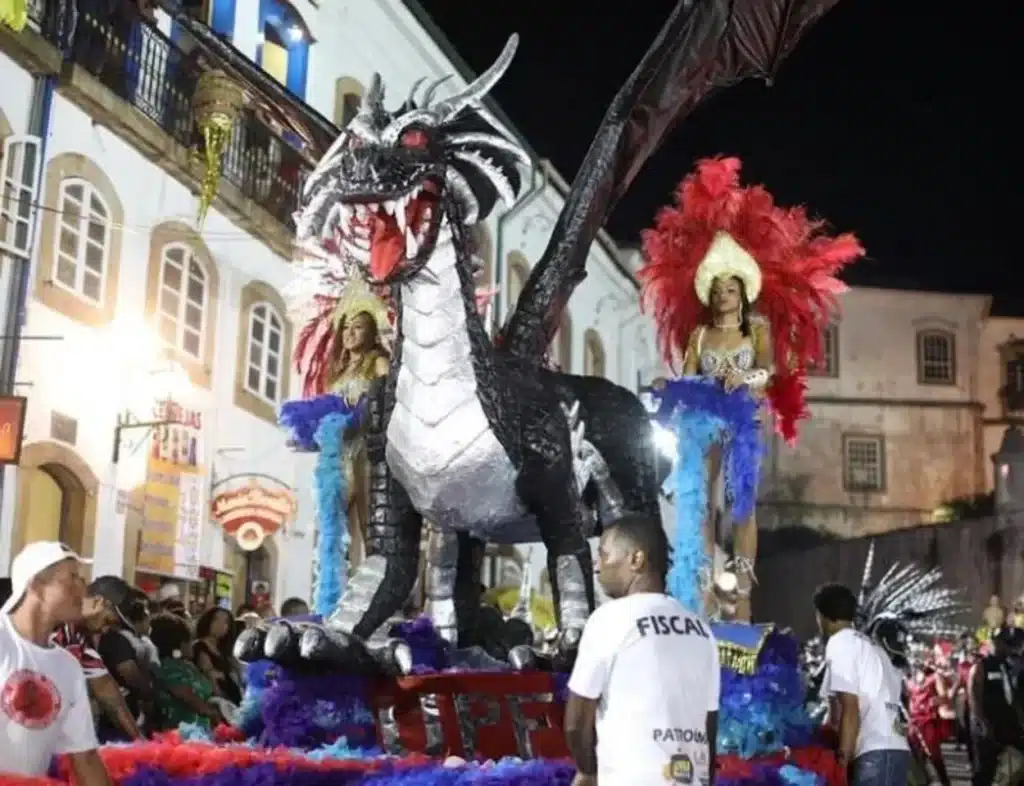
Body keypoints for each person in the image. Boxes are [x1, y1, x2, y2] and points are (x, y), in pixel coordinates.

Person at [640, 157, 863, 620]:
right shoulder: (701, 336)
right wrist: (670, 385)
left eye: (731, 290)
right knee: (698, 499)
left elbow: (766, 374)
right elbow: (688, 377)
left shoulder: (755, 331)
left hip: (740, 418)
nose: (725, 296)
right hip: (702, 421)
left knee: (740, 504)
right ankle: (698, 587)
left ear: (742, 294)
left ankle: (741, 586)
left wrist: (744, 379)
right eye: (718, 290)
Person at [564, 514, 719, 786]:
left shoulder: (609, 619)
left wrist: (588, 771)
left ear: (636, 559)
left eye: (604, 554)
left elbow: (577, 721)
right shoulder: (701, 630)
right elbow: (708, 726)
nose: (597, 566)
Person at [0, 541, 112, 783]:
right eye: (72, 578)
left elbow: (86, 758)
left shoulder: (68, 667)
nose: (83, 589)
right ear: (37, 586)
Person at [814, 583, 910, 786]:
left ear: (822, 616)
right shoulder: (870, 645)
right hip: (894, 750)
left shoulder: (840, 643)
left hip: (874, 755)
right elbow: (835, 711)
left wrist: (841, 759)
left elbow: (849, 706)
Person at [51, 575, 142, 742]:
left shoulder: (78, 640)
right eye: (108, 620)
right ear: (98, 602)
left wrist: (143, 745)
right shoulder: (53, 625)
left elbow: (111, 697)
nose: (106, 630)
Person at [968, 627, 1024, 786]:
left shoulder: (1006, 666)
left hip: (1008, 724)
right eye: (1003, 643)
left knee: (1016, 762)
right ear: (993, 643)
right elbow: (974, 696)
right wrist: (981, 723)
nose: (1007, 648)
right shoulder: (981, 666)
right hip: (988, 725)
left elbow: (1012, 698)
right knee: (985, 769)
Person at [148, 614, 222, 731]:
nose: (192, 644)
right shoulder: (168, 668)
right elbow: (186, 696)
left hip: (202, 732)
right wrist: (213, 713)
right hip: (180, 736)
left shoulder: (187, 665)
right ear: (179, 644)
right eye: (189, 640)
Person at [193, 607, 242, 704]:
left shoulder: (224, 650)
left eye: (226, 622)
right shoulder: (200, 646)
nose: (221, 624)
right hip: (216, 701)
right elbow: (209, 676)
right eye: (216, 619)